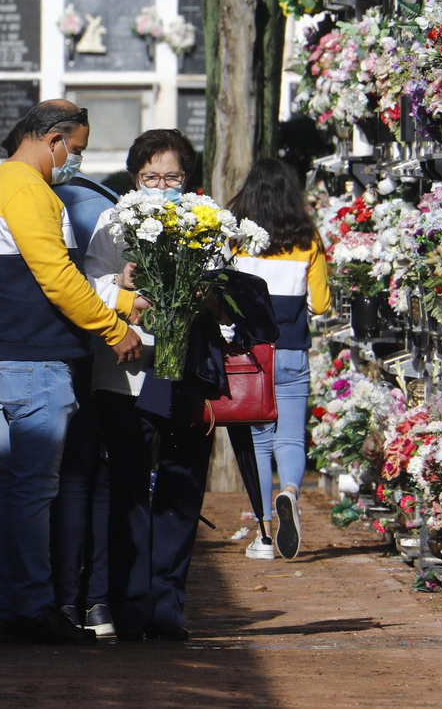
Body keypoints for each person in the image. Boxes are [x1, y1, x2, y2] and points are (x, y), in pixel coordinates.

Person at [0, 100, 146, 645]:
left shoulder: (7, 185)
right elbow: (56, 278)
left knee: (14, 489)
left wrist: (121, 301)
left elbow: (50, 275)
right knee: (32, 491)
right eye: (77, 149)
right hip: (34, 357)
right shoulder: (26, 188)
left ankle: (12, 607)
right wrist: (114, 328)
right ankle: (31, 608)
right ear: (53, 139)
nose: (77, 160)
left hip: (18, 355)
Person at [83, 128, 215, 641]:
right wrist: (122, 285)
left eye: (171, 177)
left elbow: (227, 288)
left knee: (182, 487)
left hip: (184, 374)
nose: (161, 187)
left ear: (188, 178)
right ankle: (130, 606)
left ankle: (168, 606)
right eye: (150, 177)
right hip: (127, 373)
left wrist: (204, 293)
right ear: (134, 178)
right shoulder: (113, 222)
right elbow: (87, 283)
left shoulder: (206, 221)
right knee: (129, 490)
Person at [226, 157, 331, 562]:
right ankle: (289, 491)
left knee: (258, 441)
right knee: (290, 438)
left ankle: (264, 535)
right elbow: (320, 304)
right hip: (290, 351)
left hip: (249, 353)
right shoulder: (308, 238)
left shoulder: (236, 238)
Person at [48, 167, 119, 636]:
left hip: (71, 357)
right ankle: (98, 601)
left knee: (72, 482)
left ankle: (66, 599)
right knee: (104, 483)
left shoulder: (45, 199)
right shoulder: (108, 206)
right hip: (118, 364)